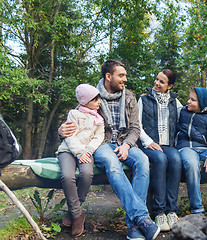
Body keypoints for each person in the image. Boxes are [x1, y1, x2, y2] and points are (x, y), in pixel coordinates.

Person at [58, 59, 160, 240]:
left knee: (143, 161)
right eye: (121, 75)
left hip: (125, 142)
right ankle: (141, 218)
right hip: (102, 144)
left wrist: (127, 145)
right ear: (108, 76)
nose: (125, 79)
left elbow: (136, 128)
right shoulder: (92, 96)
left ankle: (133, 225)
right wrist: (61, 131)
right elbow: (76, 124)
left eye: (125, 75)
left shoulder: (129, 97)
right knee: (113, 164)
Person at [57, 84, 104, 237]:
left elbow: (99, 137)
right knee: (67, 176)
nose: (99, 102)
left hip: (87, 152)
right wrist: (78, 152)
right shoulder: (73, 114)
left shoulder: (99, 119)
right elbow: (69, 135)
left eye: (99, 99)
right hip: (68, 151)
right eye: (95, 100)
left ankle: (73, 210)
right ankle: (78, 215)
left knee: (86, 174)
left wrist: (88, 151)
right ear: (85, 101)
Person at [137, 69, 182, 231]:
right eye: (156, 79)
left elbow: (189, 114)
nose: (156, 83)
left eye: (161, 82)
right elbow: (137, 125)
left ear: (169, 86)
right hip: (148, 145)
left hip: (168, 145)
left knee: (176, 159)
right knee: (160, 160)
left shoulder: (175, 102)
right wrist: (148, 142)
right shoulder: (144, 99)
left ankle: (171, 211)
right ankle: (159, 212)